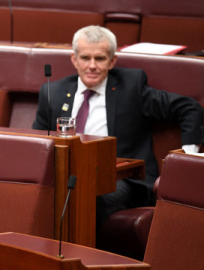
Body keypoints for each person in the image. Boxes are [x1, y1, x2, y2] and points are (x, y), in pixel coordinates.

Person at [32, 25, 204, 228]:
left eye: (100, 58)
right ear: (74, 59)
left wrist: (187, 157)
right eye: (86, 58)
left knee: (86, 198)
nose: (92, 65)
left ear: (112, 60)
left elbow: (189, 108)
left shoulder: (131, 87)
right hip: (69, 177)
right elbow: (38, 141)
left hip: (124, 181)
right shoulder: (54, 92)